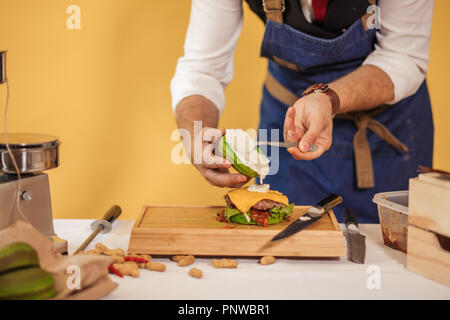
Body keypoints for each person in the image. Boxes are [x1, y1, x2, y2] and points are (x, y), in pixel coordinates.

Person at [170, 0, 434, 222]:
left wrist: (328, 98)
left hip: (388, 138)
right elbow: (202, 70)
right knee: (288, 254)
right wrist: (197, 132)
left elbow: (404, 56)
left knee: (391, 260)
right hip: (290, 133)